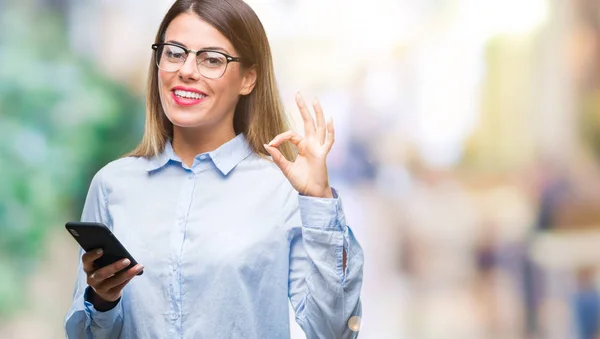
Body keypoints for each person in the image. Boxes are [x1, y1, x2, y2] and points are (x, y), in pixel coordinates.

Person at [63, 0, 364, 338]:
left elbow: (335, 331)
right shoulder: (113, 185)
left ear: (248, 78)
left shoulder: (283, 190)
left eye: (211, 59)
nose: (187, 70)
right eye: (175, 53)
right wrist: (102, 301)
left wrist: (319, 201)